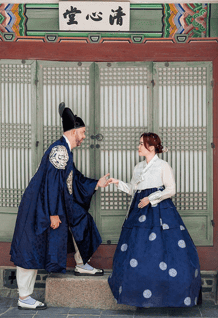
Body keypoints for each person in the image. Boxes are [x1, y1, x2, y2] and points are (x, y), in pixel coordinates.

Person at [10, 103, 110, 310]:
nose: (84, 137)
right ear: (73, 132)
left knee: (81, 220)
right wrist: (53, 213)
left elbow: (75, 179)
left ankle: (82, 264)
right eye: (82, 132)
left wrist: (96, 184)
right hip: (38, 207)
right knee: (30, 247)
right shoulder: (60, 151)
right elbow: (52, 184)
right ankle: (24, 297)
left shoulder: (65, 150)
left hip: (49, 204)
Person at [106, 132, 202, 308]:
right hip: (139, 212)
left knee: (165, 250)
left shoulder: (163, 166)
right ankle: (137, 294)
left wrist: (151, 198)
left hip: (160, 212)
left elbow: (171, 189)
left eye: (141, 144)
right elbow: (131, 189)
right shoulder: (138, 167)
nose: (138, 147)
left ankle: (171, 295)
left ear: (151, 147)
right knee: (137, 251)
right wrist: (116, 182)